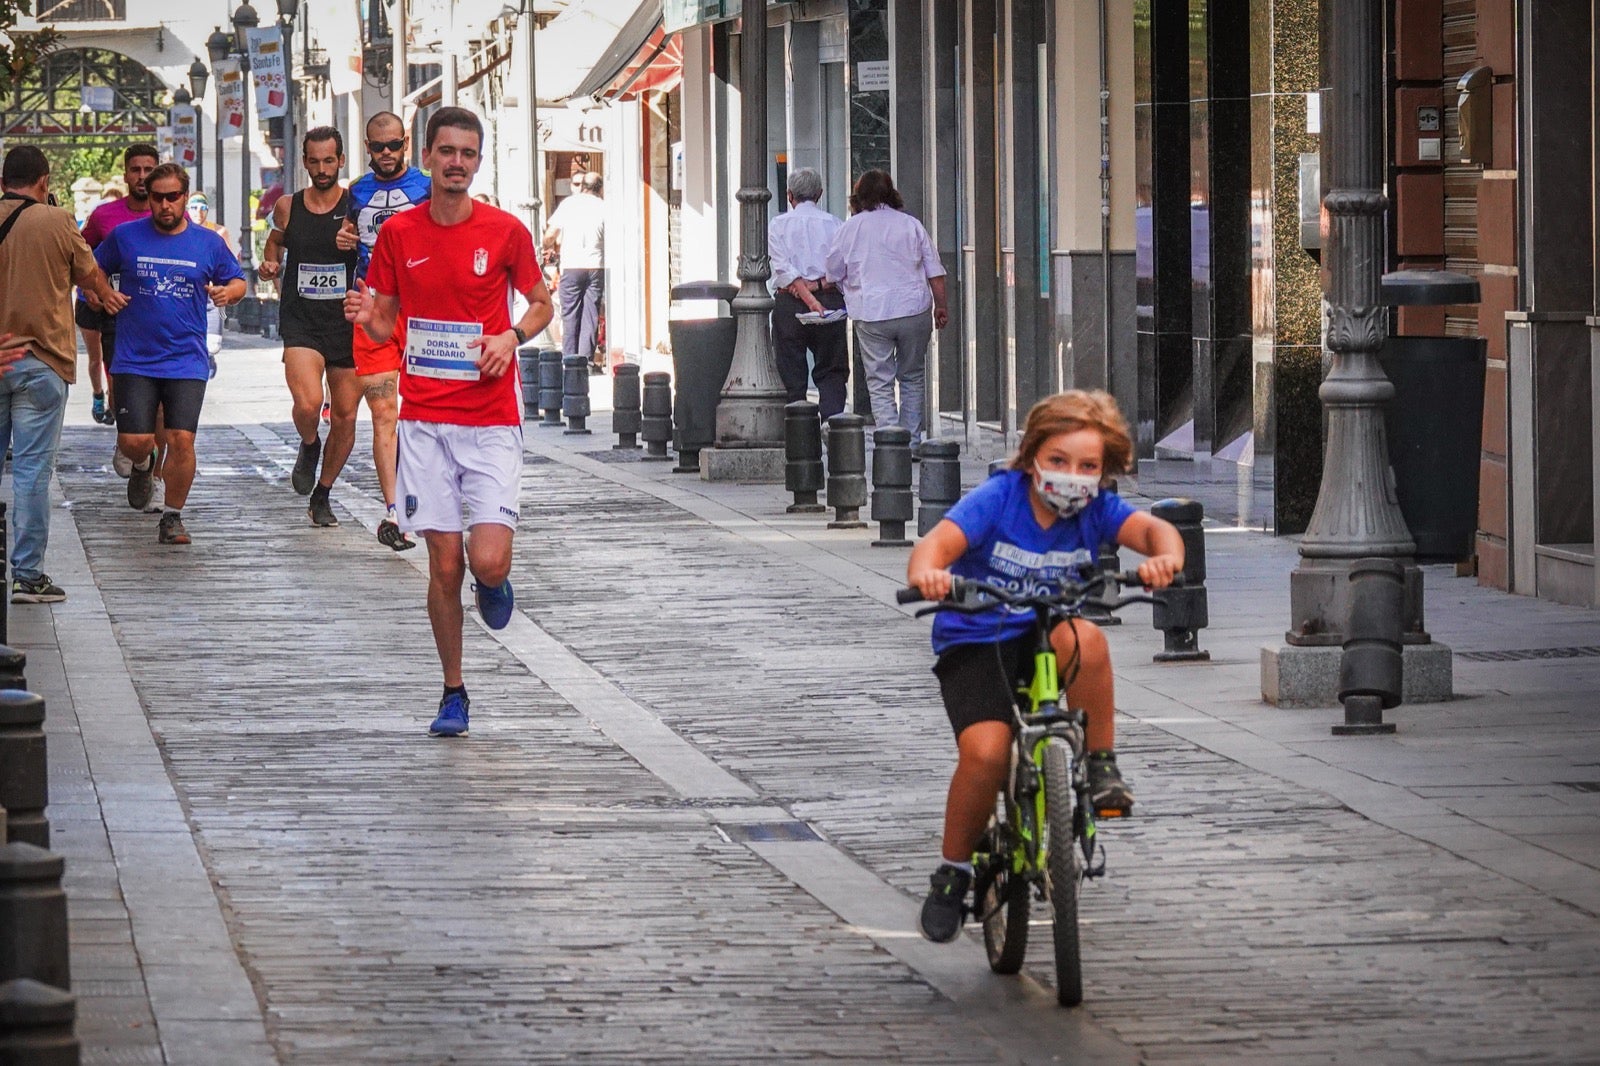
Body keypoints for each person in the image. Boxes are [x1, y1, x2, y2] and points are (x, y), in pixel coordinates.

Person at [903, 390, 1185, 943]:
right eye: (1058, 462)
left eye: (1087, 467)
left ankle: (1100, 766)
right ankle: (954, 871)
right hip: (978, 638)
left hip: (1047, 632)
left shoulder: (1098, 510)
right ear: (1033, 456)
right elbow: (935, 546)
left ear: (1104, 473)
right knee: (984, 752)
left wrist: (1165, 558)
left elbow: (1153, 531)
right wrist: (931, 575)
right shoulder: (998, 499)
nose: (1071, 476)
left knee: (1088, 638)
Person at [345, 106, 554, 738]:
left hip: (491, 419)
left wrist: (511, 338)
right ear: (428, 158)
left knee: (486, 561)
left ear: (477, 161)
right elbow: (384, 322)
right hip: (426, 422)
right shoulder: (400, 236)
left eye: (468, 153)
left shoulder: (505, 231)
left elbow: (542, 304)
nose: (456, 162)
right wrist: (364, 314)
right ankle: (453, 691)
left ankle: (494, 582)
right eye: (447, 152)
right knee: (442, 565)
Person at [94, 163, 246, 545]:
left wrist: (231, 293)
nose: (164, 205)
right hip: (135, 358)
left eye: (172, 197)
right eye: (156, 197)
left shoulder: (208, 242)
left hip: (185, 358)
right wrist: (103, 293)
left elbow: (238, 279)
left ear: (185, 196)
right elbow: (90, 268)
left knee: (181, 439)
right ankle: (143, 464)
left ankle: (173, 516)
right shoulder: (125, 237)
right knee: (135, 441)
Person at [0, 146, 127, 603]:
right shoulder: (58, 221)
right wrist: (104, 297)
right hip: (41, 361)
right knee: (33, 472)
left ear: (2, 182)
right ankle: (27, 575)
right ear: (44, 181)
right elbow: (91, 276)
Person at [259, 127, 362, 527]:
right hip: (301, 318)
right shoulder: (288, 205)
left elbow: (381, 248)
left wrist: (355, 245)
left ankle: (323, 493)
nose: (322, 169)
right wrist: (270, 265)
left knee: (347, 417)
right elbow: (275, 242)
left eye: (329, 161)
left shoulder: (356, 205)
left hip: (347, 321)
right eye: (314, 161)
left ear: (340, 161)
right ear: (303, 162)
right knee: (306, 404)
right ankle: (308, 443)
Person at [342, 110, 432, 551]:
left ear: (406, 144)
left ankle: (429, 499)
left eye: (394, 145)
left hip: (422, 309)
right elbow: (343, 237)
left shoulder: (428, 187)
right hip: (373, 306)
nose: (386, 154)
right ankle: (394, 511)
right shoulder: (355, 193)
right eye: (378, 147)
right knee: (384, 413)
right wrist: (341, 240)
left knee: (425, 411)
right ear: (367, 148)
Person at [826, 169, 949, 445]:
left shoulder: (850, 228)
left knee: (879, 381)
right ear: (891, 193)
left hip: (871, 312)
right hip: (913, 309)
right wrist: (941, 306)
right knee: (912, 376)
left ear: (858, 197)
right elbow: (935, 272)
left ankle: (892, 444)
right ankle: (913, 441)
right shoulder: (911, 225)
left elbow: (833, 272)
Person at [78, 144, 158, 427]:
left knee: (160, 399)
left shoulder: (173, 215)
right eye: (135, 170)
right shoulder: (104, 216)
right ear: (125, 175)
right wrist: (90, 287)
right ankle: (129, 439)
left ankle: (145, 459)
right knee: (119, 384)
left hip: (161, 315)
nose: (141, 176)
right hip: (117, 313)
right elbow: (80, 253)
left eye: (148, 170)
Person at [767, 167, 848, 420]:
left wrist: (803, 293)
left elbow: (783, 269)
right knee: (832, 369)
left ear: (789, 195)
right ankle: (833, 427)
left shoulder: (778, 225)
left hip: (789, 302)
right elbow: (842, 268)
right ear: (820, 194)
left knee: (791, 369)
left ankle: (798, 431)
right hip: (829, 301)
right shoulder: (835, 224)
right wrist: (817, 291)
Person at [541, 170, 605, 370]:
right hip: (596, 264)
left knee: (570, 313)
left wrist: (546, 246)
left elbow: (550, 235)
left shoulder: (569, 204)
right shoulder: (604, 206)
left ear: (583, 186)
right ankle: (585, 360)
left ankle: (569, 359)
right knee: (591, 312)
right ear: (600, 188)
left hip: (572, 265)